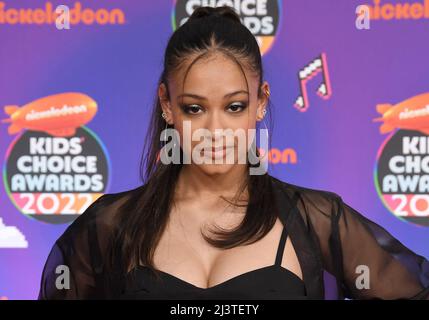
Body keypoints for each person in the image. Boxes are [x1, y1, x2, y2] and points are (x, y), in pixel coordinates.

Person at [38, 6, 429, 300]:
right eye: (194, 108)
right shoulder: (109, 227)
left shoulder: (316, 222)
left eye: (234, 106)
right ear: (167, 105)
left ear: (261, 102)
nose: (215, 130)